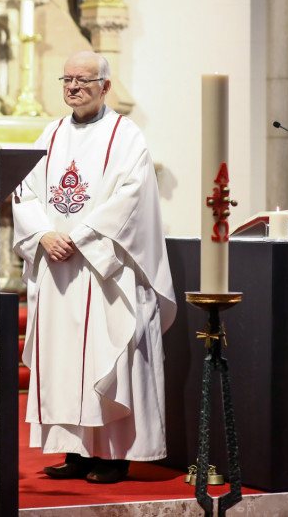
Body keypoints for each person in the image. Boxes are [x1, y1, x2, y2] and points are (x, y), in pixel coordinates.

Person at [12, 51, 177, 484]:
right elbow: (24, 191)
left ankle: (113, 456)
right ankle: (76, 452)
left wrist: (80, 237)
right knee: (65, 362)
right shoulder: (49, 134)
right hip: (58, 266)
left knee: (107, 355)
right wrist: (43, 235)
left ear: (105, 86)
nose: (73, 87)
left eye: (83, 80)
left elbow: (132, 198)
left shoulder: (127, 136)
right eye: (67, 79)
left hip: (105, 268)